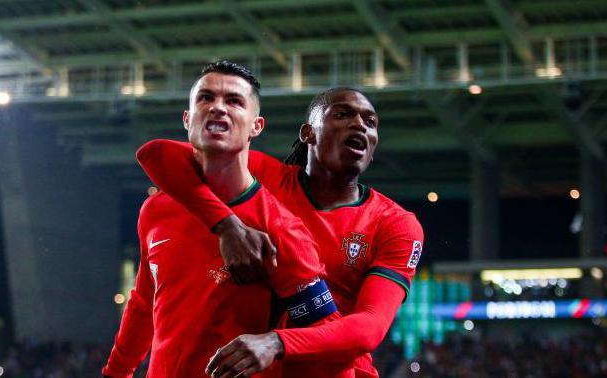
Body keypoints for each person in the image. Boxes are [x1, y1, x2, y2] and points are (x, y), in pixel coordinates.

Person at [137, 86, 424, 378]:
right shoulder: (264, 178)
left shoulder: (395, 223)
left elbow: (370, 327)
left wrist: (276, 342)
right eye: (342, 114)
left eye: (370, 122)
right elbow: (157, 154)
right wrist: (227, 226)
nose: (359, 125)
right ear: (308, 133)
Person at [102, 61, 353, 378]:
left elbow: (331, 340)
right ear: (187, 119)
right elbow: (143, 302)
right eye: (205, 98)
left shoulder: (282, 230)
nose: (218, 107)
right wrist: (115, 373)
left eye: (234, 101)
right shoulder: (156, 209)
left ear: (256, 126)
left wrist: (276, 343)